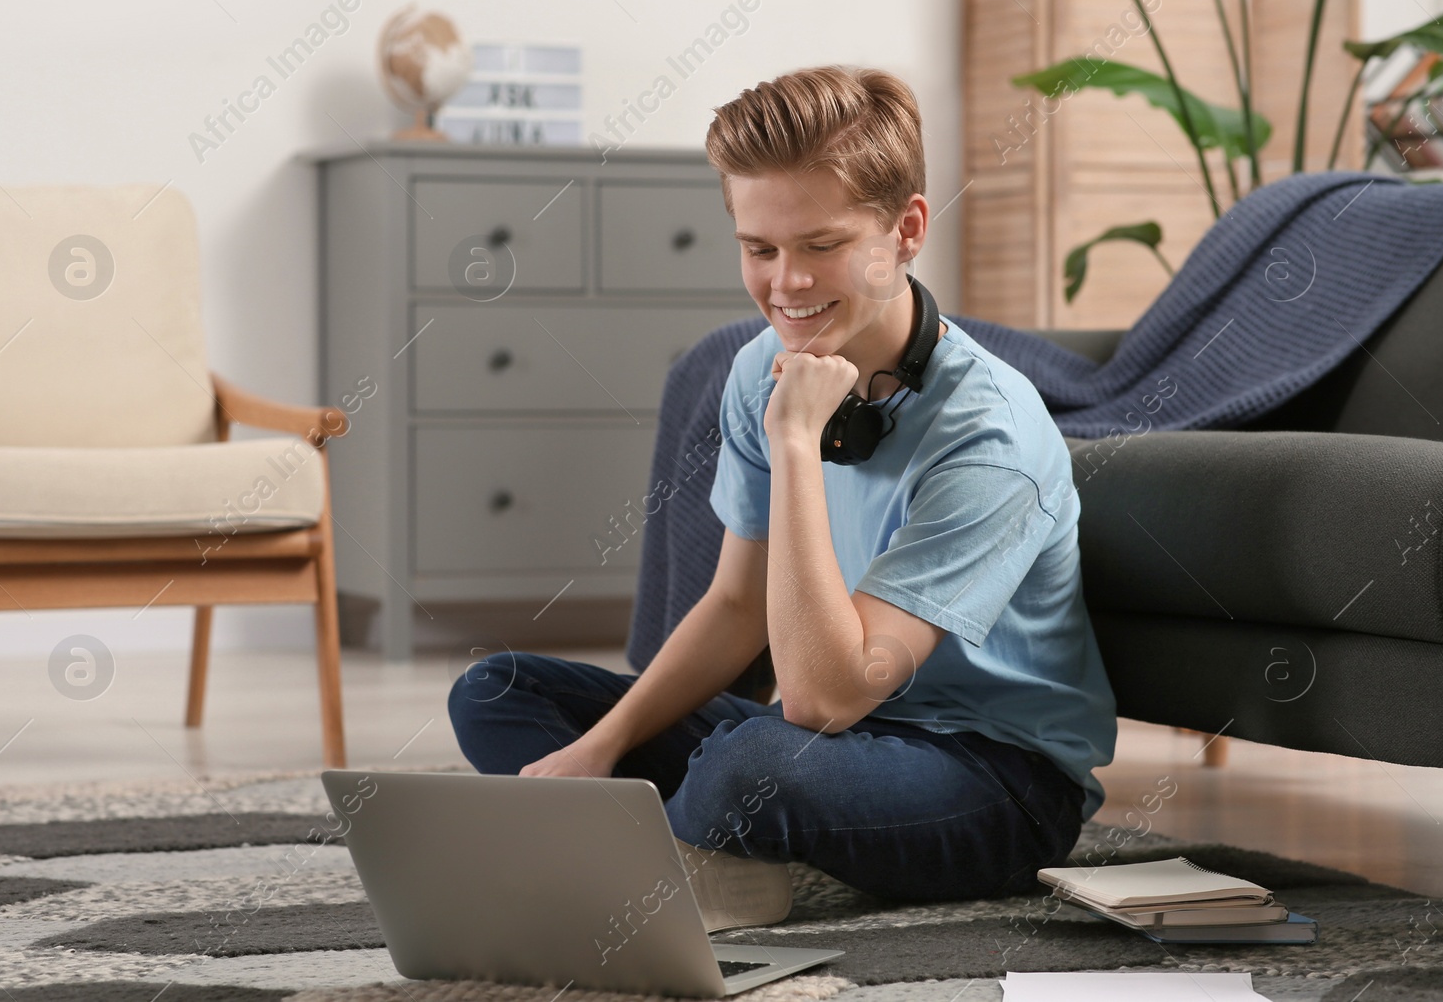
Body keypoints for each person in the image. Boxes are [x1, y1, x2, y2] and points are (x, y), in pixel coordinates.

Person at [448, 64, 1116, 929]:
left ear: (906, 229)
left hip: (991, 776)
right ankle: (675, 858)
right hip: (837, 739)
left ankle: (650, 860)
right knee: (497, 690)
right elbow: (733, 606)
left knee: (746, 763)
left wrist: (797, 439)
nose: (786, 284)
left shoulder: (990, 431)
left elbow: (823, 698)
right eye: (759, 249)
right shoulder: (753, 367)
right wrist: (599, 744)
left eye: (821, 245)